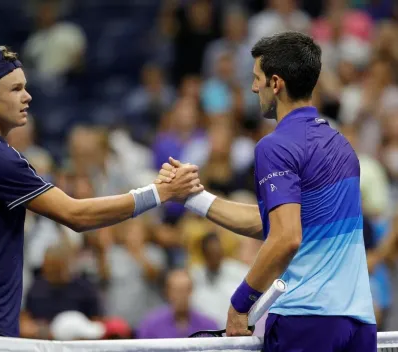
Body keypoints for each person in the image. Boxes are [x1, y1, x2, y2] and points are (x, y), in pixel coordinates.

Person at [0, 46, 202, 338]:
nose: (27, 96)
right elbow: (76, 215)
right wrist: (160, 193)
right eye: (16, 89)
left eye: (26, 87)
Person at [156, 31, 376, 351]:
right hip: (358, 322)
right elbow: (274, 222)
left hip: (306, 322)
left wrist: (240, 304)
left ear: (276, 83)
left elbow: (286, 237)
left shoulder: (276, 146)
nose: (253, 87)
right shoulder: (341, 145)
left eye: (257, 78)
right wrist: (193, 197)